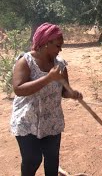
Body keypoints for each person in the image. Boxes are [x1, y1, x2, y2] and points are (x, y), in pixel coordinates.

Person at [10, 23, 82, 176]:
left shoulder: (60, 65)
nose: (60, 50)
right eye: (57, 46)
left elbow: (64, 91)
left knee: (52, 161)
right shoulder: (26, 61)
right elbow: (19, 88)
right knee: (32, 159)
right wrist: (48, 78)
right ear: (45, 43)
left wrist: (73, 93)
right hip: (27, 121)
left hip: (52, 121)